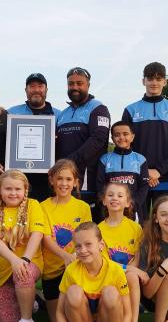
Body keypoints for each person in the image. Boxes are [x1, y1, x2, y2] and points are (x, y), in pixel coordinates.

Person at [122, 62, 168, 221]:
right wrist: (144, 171)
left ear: (165, 81)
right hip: (137, 179)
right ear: (143, 81)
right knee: (138, 226)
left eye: (158, 79)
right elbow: (125, 144)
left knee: (165, 223)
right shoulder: (130, 110)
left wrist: (159, 170)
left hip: (165, 179)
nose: (154, 83)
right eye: (150, 78)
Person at [0, 170, 46, 322]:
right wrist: (14, 260)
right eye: (8, 189)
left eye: (18, 189)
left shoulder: (32, 205)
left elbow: (37, 233)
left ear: (25, 190)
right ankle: (32, 300)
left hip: (29, 262)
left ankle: (27, 318)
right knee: (9, 319)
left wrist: (24, 260)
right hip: (2, 270)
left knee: (23, 275)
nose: (13, 193)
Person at [40, 159, 92, 322]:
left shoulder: (82, 207)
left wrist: (74, 258)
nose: (64, 183)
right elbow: (45, 238)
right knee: (57, 318)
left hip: (77, 268)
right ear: (52, 180)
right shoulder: (43, 207)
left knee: (77, 311)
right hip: (52, 270)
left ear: (76, 182)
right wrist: (65, 256)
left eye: (68, 179)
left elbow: (87, 236)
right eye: (60, 178)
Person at [56, 67, 111, 222]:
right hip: (63, 180)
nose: (75, 87)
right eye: (71, 83)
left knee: (86, 227)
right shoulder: (63, 113)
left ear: (88, 85)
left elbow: (98, 140)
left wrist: (69, 162)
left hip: (87, 180)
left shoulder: (98, 108)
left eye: (79, 83)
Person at [56, 221, 131, 322]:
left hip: (107, 317)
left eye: (88, 244)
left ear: (101, 245)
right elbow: (60, 312)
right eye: (78, 246)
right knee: (73, 292)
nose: (83, 250)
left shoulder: (115, 270)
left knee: (111, 293)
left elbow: (127, 313)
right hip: (82, 316)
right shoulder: (71, 270)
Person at [8, 73, 61, 201]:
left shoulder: (59, 115)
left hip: (48, 177)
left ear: (46, 90)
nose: (36, 90)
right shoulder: (11, 113)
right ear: (26, 90)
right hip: (18, 176)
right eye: (32, 86)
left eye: (40, 86)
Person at [98, 182, 143, 322]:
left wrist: (130, 270)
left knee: (132, 276)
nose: (114, 198)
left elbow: (137, 258)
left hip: (130, 277)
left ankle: (134, 319)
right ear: (104, 201)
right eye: (110, 195)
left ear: (128, 202)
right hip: (108, 277)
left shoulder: (135, 228)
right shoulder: (98, 230)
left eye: (120, 195)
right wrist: (127, 269)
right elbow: (105, 263)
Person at [96, 120, 149, 223]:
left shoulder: (140, 159)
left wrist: (133, 205)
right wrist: (108, 204)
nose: (121, 138)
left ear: (132, 136)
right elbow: (100, 185)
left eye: (125, 134)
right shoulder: (105, 159)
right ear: (112, 138)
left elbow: (144, 186)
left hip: (133, 210)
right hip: (111, 209)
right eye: (117, 135)